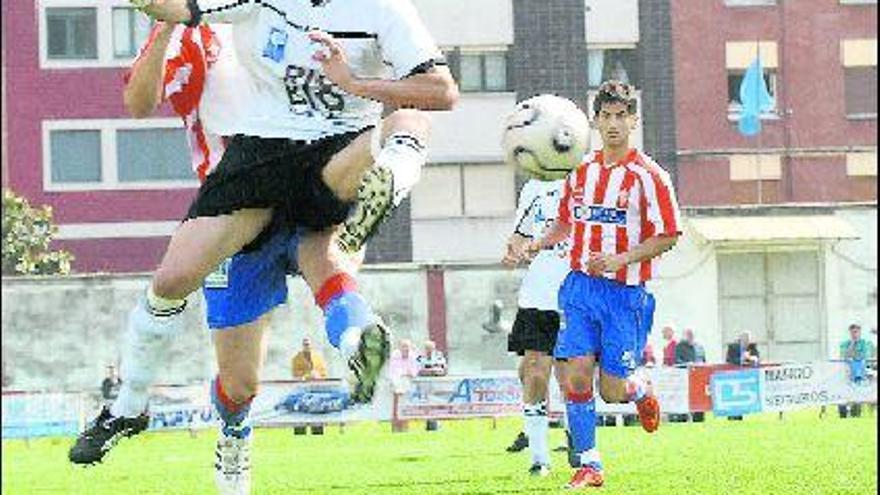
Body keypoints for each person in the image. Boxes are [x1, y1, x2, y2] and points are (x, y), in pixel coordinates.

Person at [69, 6, 457, 491]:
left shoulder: (374, 14)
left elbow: (438, 90)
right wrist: (166, 23)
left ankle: (360, 340)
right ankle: (208, 425)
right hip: (244, 194)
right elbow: (138, 100)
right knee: (236, 379)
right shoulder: (204, 29)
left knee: (329, 253)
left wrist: (356, 83)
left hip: (326, 166)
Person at [515, 80, 681, 488]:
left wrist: (622, 259)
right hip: (579, 290)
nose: (612, 125)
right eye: (605, 116)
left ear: (633, 120)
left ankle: (639, 389)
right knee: (575, 374)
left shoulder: (650, 176)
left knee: (611, 390)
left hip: (625, 295)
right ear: (595, 121)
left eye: (620, 116)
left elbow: (670, 234)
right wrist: (537, 242)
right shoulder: (581, 171)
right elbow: (566, 223)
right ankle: (589, 464)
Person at [500, 159, 573, 478]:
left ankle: (576, 436)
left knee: (572, 379)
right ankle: (539, 457)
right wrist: (515, 253)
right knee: (534, 372)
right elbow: (520, 236)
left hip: (575, 295)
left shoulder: (589, 179)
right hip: (538, 296)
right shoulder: (533, 188)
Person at [838, 323, 874, 418]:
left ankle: (856, 413)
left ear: (860, 332)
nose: (855, 334)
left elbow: (864, 357)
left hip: (861, 371)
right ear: (850, 333)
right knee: (844, 393)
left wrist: (853, 356)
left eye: (856, 332)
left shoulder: (865, 343)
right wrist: (852, 345)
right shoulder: (844, 344)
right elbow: (844, 356)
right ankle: (843, 414)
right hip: (847, 372)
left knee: (857, 393)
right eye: (853, 332)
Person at [674, 329, 705, 422]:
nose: (691, 336)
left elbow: (703, 359)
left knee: (699, 397)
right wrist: (687, 364)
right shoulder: (680, 346)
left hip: (699, 377)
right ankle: (683, 418)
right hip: (685, 378)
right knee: (685, 398)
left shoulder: (699, 346)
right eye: (689, 335)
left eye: (692, 334)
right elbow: (677, 360)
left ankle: (699, 417)